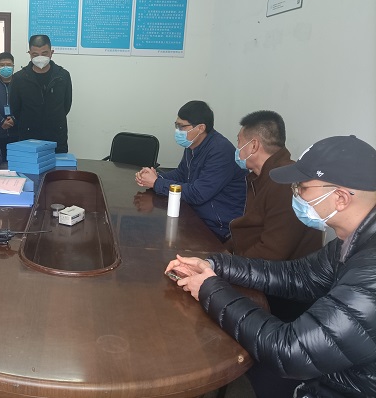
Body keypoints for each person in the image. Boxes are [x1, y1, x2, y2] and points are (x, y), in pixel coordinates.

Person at [165, 135, 376, 398]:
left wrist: (211, 289)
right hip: (328, 372)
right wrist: (216, 265)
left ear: (341, 198)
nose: (295, 194)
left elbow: (290, 352)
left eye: (302, 187)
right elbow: (298, 275)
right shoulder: (352, 241)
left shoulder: (371, 273)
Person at [135, 100, 246, 240]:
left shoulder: (220, 151)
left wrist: (156, 183)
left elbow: (198, 194)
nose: (177, 130)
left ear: (200, 128)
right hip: (195, 215)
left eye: (181, 126)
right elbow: (182, 173)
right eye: (176, 125)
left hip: (218, 227)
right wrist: (156, 177)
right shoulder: (192, 145)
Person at [228, 110, 323, 260]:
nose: (237, 148)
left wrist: (228, 265)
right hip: (249, 263)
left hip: (282, 271)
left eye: (239, 142)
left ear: (253, 146)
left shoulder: (285, 183)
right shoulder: (261, 177)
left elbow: (271, 252)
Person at [9, 34, 72, 153]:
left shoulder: (63, 76)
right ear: (29, 54)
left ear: (51, 53)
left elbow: (66, 105)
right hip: (28, 136)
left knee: (57, 165)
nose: (40, 57)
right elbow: (15, 108)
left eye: (44, 53)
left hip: (57, 136)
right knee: (29, 164)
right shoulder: (19, 78)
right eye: (35, 54)